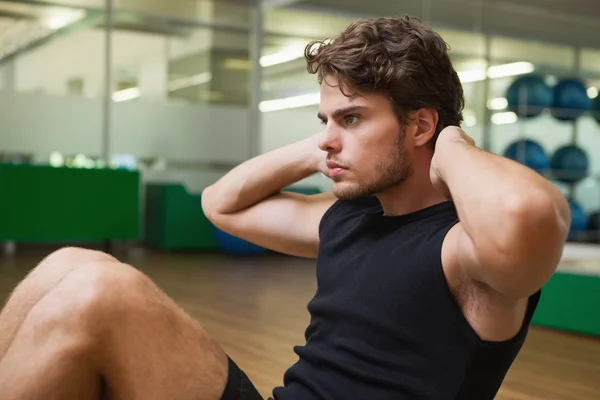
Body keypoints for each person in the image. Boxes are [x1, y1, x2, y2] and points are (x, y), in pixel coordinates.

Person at [0, 15, 569, 400]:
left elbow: (526, 215)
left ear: (419, 124)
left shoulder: (463, 252)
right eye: (324, 120)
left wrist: (450, 145)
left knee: (104, 293)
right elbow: (220, 204)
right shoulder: (345, 219)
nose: (327, 137)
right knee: (72, 264)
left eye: (351, 118)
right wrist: (320, 145)